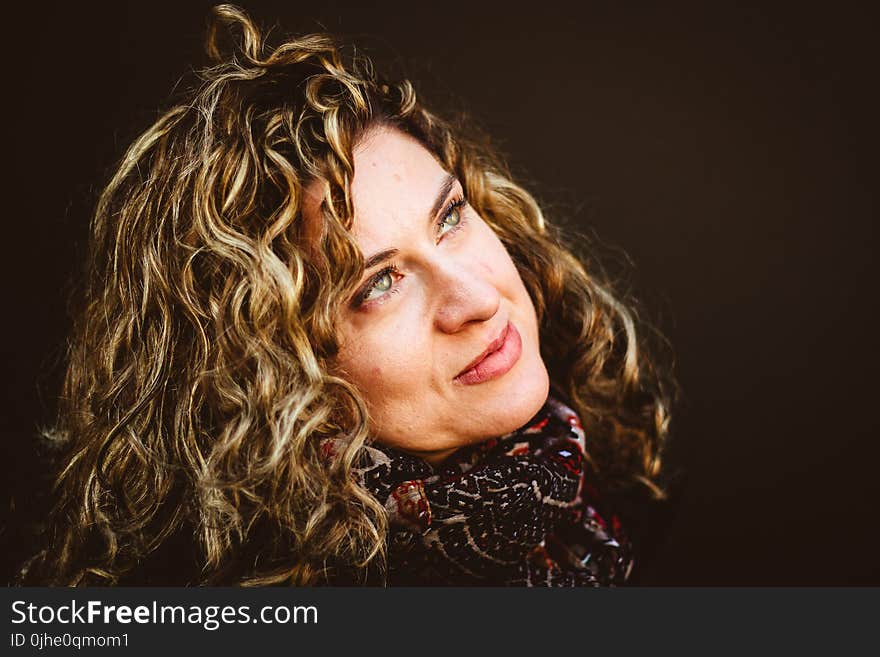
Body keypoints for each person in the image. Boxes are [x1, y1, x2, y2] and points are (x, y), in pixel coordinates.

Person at [19, 4, 672, 586]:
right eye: (379, 283)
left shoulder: (608, 501)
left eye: (449, 218)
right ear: (273, 374)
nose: (473, 298)